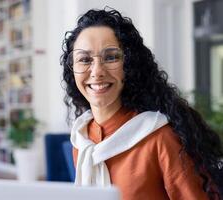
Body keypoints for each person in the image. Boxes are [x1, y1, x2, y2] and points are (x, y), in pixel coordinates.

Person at [60, 8, 223, 200]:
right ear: (73, 70)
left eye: (111, 57)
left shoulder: (161, 138)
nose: (97, 71)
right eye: (84, 59)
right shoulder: (82, 140)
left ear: (129, 65)